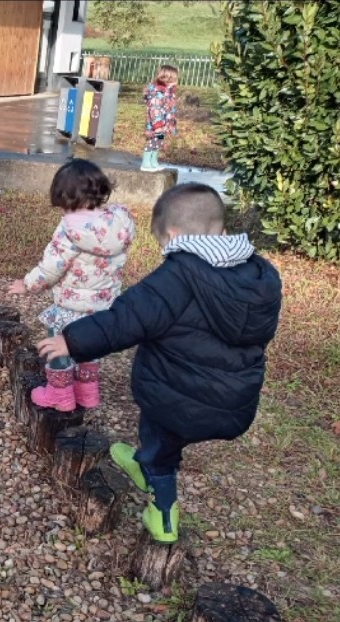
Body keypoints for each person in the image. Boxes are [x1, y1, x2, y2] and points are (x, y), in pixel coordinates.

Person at [37, 183, 282, 543]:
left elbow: (124, 320)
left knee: (162, 447)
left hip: (176, 400)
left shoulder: (177, 277)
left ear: (173, 235)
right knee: (169, 435)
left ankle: (163, 516)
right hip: (234, 403)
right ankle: (144, 460)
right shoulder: (261, 277)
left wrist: (71, 340)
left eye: (164, 244)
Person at [9, 159, 136, 411]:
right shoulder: (118, 222)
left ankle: (60, 394)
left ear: (66, 197)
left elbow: (51, 267)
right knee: (89, 346)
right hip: (103, 307)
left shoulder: (71, 229)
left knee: (58, 347)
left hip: (71, 304)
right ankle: (87, 392)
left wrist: (27, 284)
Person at [141, 64, 179, 172]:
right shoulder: (157, 93)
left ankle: (153, 161)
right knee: (153, 141)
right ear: (168, 79)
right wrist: (157, 125)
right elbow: (154, 110)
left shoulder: (168, 92)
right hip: (156, 123)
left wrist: (170, 123)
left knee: (159, 141)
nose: (176, 82)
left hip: (164, 122)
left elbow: (170, 108)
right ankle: (146, 163)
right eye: (175, 80)